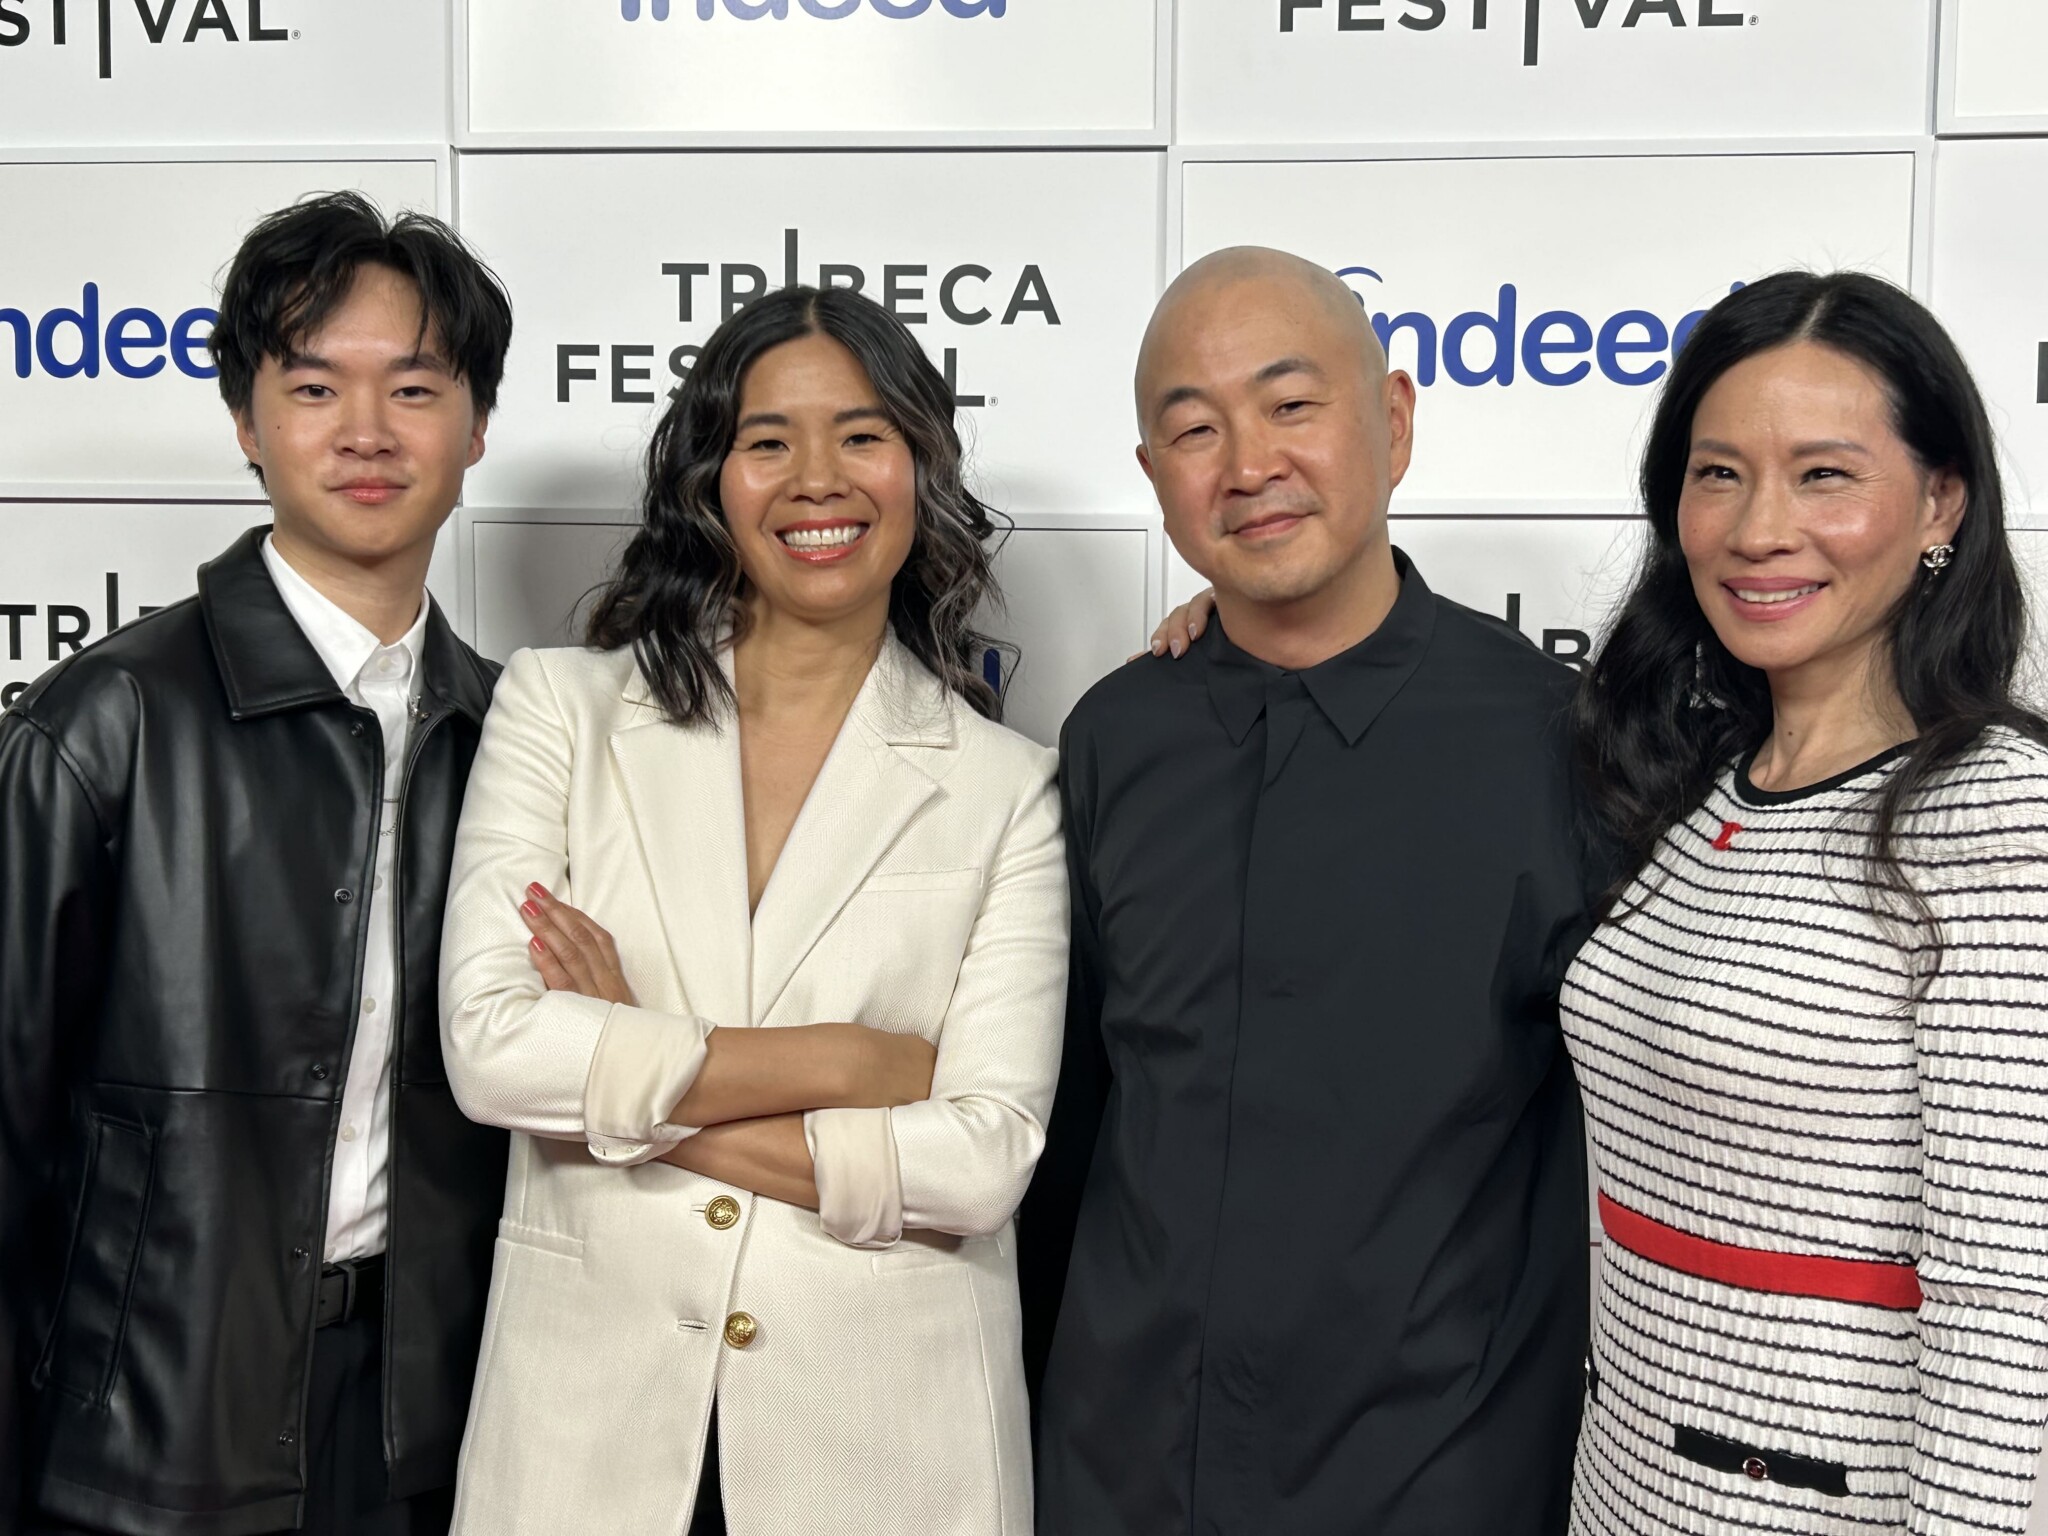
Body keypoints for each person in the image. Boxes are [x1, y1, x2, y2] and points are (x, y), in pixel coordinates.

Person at [436, 283, 1068, 1535]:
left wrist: (628, 1072)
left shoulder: (1007, 785)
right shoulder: (559, 712)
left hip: (888, 1445)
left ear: (920, 466)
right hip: (582, 1440)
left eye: (862, 436)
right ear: (709, 480)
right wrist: (841, 1063)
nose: (815, 479)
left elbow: (983, 1156)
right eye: (767, 440)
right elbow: (493, 1051)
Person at [1020, 246, 1599, 1533]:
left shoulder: (1562, 743)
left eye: (1291, 406)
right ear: (1152, 480)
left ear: (1391, 421)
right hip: (1117, 1468)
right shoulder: (1113, 736)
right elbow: (1070, 1120)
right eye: (1193, 428)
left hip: (1439, 1475)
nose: (1246, 464)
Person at [0, 192, 514, 1534]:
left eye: (413, 387)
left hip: (432, 1430)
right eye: (311, 385)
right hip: (148, 1435)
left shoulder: (524, 736)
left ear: (474, 428)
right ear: (244, 418)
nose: (365, 432)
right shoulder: (108, 720)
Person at [1563, 271, 2048, 1534]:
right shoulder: (1695, 781)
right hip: (1620, 1485)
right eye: (1716, 473)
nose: (1755, 528)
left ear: (1939, 499)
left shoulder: (1998, 816)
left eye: (1822, 474)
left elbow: (2007, 1301)